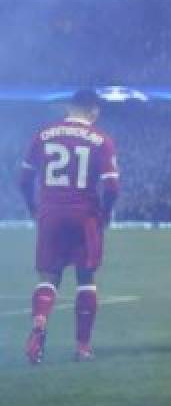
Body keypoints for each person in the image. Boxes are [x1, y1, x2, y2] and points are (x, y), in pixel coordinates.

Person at [18, 88, 120, 364]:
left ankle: (40, 322)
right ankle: (83, 346)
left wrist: (33, 208)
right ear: (94, 111)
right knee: (85, 278)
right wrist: (106, 213)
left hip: (50, 212)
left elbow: (24, 180)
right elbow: (112, 186)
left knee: (48, 276)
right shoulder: (102, 140)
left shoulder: (43, 134)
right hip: (85, 214)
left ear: (68, 108)